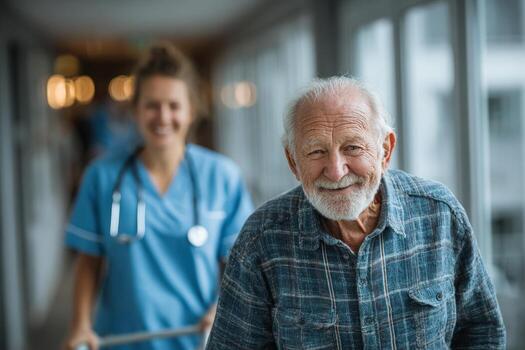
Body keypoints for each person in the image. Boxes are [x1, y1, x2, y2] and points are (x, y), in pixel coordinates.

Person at [206, 76, 506, 349]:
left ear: (385, 150)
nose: (336, 171)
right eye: (316, 152)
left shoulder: (438, 214)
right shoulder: (262, 239)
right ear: (293, 161)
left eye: (352, 147)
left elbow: (482, 331)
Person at [64, 43, 253, 350]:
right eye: (152, 105)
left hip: (202, 340)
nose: (162, 116)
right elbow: (89, 261)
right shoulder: (101, 176)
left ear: (191, 110)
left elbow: (241, 265)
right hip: (123, 340)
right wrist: (79, 325)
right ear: (135, 110)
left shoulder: (222, 176)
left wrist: (223, 308)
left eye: (174, 105)